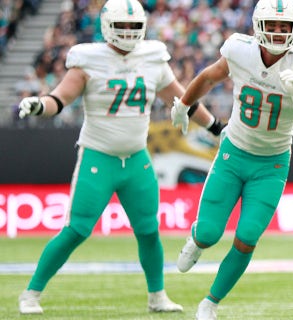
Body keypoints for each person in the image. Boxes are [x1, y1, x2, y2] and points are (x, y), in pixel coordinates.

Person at [16, 0, 224, 315]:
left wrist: (216, 127)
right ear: (107, 27)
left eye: (133, 26)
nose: (128, 32)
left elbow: (184, 100)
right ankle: (31, 294)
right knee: (77, 229)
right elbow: (61, 98)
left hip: (137, 160)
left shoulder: (153, 57)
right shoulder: (89, 59)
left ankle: (157, 296)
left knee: (148, 230)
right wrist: (39, 106)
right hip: (98, 158)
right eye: (121, 26)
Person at [171, 0, 293, 319]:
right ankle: (196, 240)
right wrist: (184, 103)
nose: (276, 32)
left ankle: (210, 303)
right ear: (259, 25)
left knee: (246, 239)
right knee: (207, 233)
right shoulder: (239, 50)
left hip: (271, 164)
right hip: (233, 154)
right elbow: (208, 77)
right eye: (271, 25)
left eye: (283, 26)